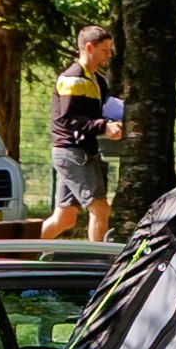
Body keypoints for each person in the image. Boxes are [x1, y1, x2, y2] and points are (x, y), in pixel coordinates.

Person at [44, 23, 120, 237]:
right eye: (104, 50)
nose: (108, 55)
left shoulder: (97, 80)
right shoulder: (74, 78)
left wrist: (116, 119)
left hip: (79, 151)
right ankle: (99, 266)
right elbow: (69, 119)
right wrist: (104, 126)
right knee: (100, 209)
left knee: (65, 217)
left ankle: (28, 255)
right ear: (89, 47)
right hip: (72, 152)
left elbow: (101, 111)